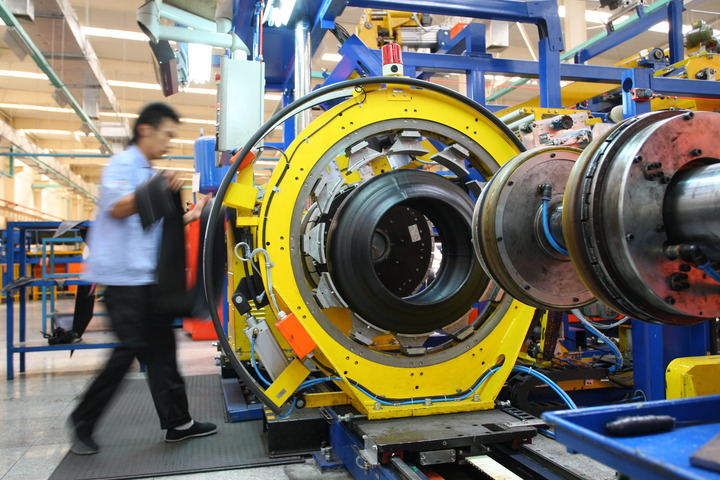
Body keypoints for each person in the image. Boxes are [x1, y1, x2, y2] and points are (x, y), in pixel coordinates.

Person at [69, 102, 216, 455]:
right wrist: (157, 187)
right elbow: (118, 208)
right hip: (123, 282)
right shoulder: (122, 165)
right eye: (166, 135)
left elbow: (152, 228)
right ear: (146, 130)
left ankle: (179, 424)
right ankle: (82, 420)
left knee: (163, 351)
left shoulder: (147, 172)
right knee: (129, 351)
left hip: (148, 281)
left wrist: (193, 214)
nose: (168, 143)